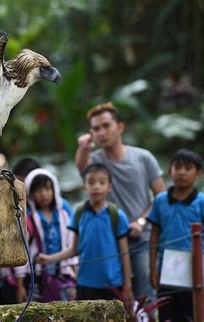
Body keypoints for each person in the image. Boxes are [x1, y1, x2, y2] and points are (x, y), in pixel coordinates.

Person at [75, 102, 165, 299]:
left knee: (144, 298)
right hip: (110, 244)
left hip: (142, 240)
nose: (101, 132)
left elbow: (161, 197)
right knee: (113, 301)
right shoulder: (96, 161)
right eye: (96, 128)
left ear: (120, 127)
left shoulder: (143, 157)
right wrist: (83, 147)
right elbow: (82, 168)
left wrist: (141, 222)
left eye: (106, 126)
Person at [37, 163, 134, 312]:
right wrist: (49, 259)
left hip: (113, 284)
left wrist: (127, 285)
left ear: (109, 186)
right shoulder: (79, 213)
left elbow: (125, 254)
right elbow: (74, 249)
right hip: (85, 284)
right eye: (91, 182)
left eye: (101, 182)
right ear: (84, 186)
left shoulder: (117, 216)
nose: (96, 187)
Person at [147, 149, 204, 322]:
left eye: (188, 168)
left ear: (198, 174)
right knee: (167, 314)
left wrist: (203, 252)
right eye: (178, 167)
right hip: (165, 269)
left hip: (193, 270)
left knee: (192, 314)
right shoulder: (160, 200)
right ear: (170, 171)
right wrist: (152, 268)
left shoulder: (202, 201)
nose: (181, 172)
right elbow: (154, 234)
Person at [14, 168, 77, 303]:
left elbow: (70, 245)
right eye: (38, 190)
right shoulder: (27, 219)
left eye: (48, 189)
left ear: (54, 190)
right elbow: (22, 250)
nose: (44, 194)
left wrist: (75, 273)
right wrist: (20, 286)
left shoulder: (64, 216)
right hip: (37, 278)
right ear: (31, 193)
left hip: (63, 275)